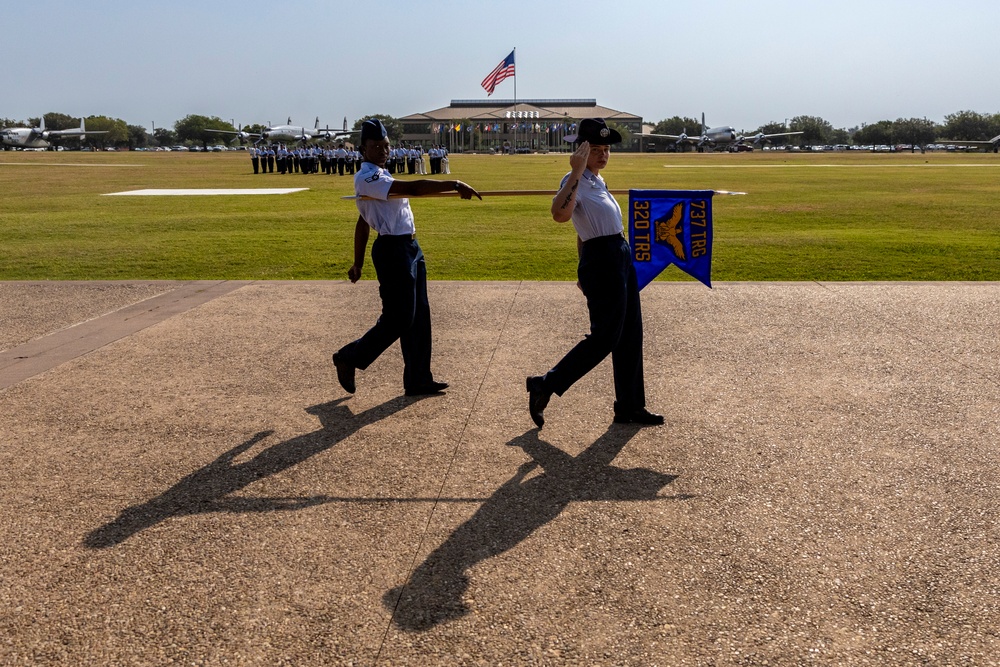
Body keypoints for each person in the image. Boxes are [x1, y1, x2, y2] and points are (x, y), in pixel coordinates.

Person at [525, 118, 663, 428]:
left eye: (606, 149)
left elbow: (581, 231)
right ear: (581, 152)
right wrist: (575, 170)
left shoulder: (598, 181)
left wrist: (581, 264)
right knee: (605, 337)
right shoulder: (574, 180)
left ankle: (629, 405)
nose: (602, 154)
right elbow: (560, 215)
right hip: (603, 261)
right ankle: (545, 384)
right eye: (595, 149)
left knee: (630, 335)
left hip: (618, 257)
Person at [332, 118, 482, 397]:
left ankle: (418, 379)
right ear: (363, 149)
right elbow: (412, 189)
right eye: (375, 146)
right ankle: (349, 356)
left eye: (386, 146)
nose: (382, 150)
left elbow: (362, 221)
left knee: (419, 317)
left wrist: (358, 262)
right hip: (392, 251)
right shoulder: (367, 177)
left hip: (410, 247)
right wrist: (454, 183)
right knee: (399, 318)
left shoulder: (382, 175)